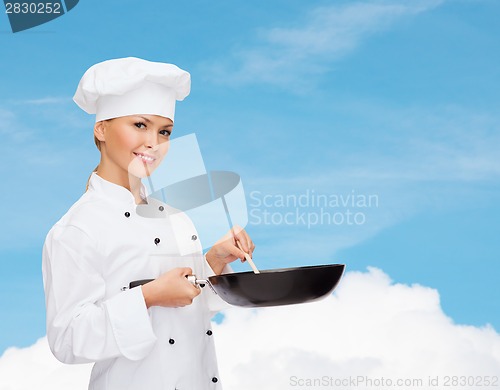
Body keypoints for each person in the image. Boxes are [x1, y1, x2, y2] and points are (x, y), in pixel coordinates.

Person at [42, 57, 255, 390]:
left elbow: (191, 307)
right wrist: (148, 297)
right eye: (140, 125)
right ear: (101, 128)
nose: (154, 143)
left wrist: (215, 260)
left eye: (164, 131)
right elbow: (68, 339)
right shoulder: (78, 229)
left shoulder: (176, 219)